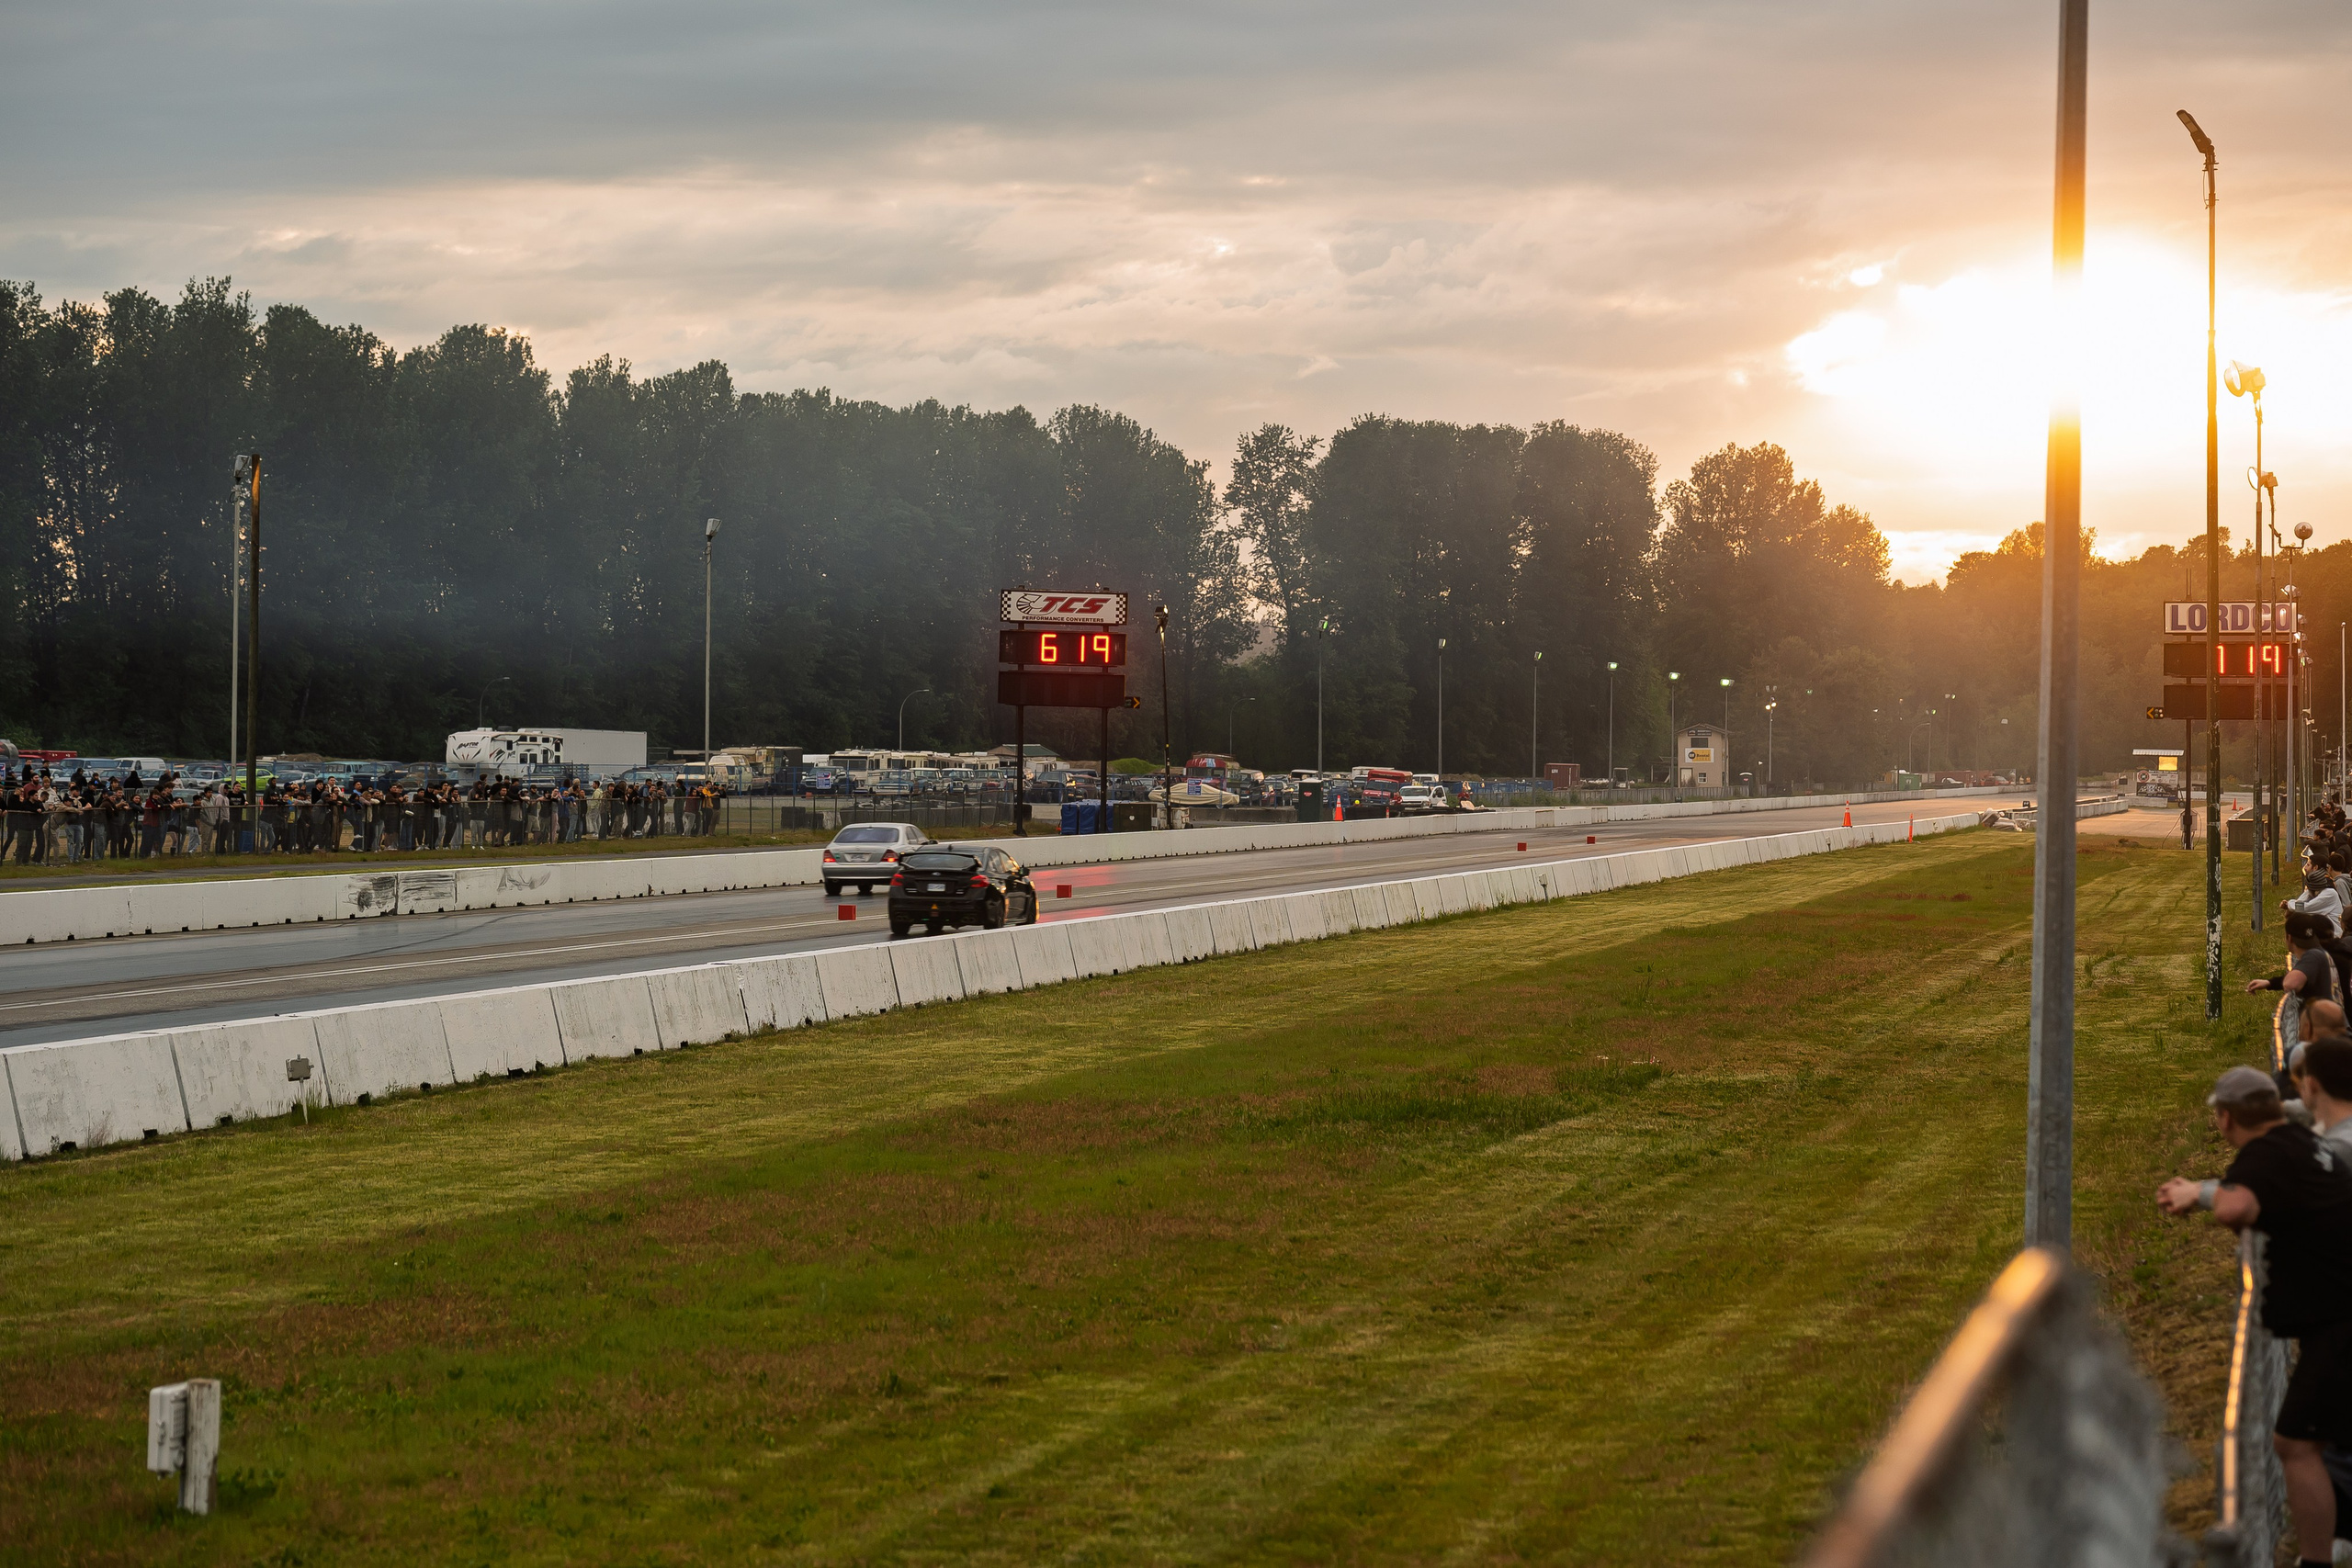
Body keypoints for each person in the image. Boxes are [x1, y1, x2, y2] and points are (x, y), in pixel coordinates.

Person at [2158, 1065, 2352, 1568]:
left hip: (2339, 1323)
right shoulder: (2297, 1142)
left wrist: (2195, 1194)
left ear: (2225, 1119)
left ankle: (2315, 1561)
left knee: (2294, 1442)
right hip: (2335, 1314)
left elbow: (2235, 1209)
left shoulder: (2264, 1155)